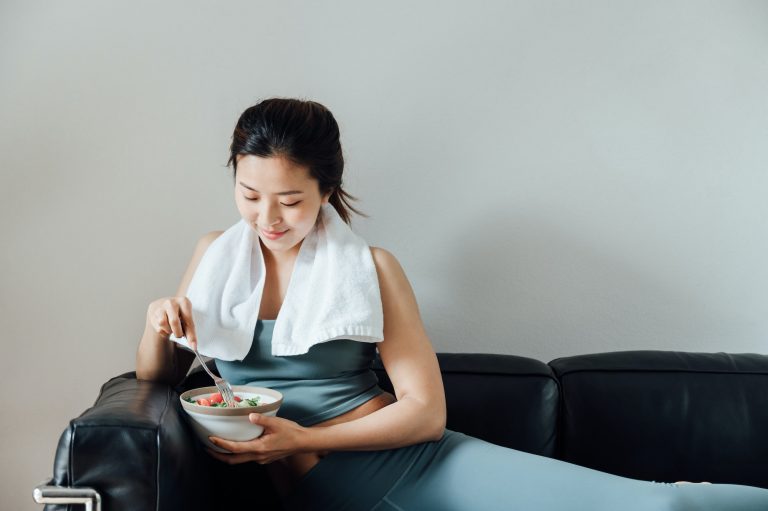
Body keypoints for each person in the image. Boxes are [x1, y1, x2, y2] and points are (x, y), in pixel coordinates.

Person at [136, 98, 768, 511]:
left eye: (291, 201)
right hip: (322, 491)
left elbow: (424, 415)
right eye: (249, 195)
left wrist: (301, 436)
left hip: (408, 462)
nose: (267, 218)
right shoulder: (215, 255)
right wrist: (158, 320)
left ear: (327, 189)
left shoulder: (372, 269)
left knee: (663, 507)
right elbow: (155, 377)